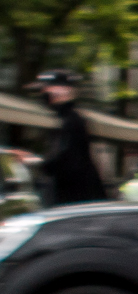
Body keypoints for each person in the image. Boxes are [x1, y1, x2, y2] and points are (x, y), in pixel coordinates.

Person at [32, 69, 106, 206]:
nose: (44, 93)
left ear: (65, 91)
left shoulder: (71, 121)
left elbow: (64, 159)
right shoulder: (66, 120)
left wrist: (34, 161)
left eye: (48, 88)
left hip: (73, 202)